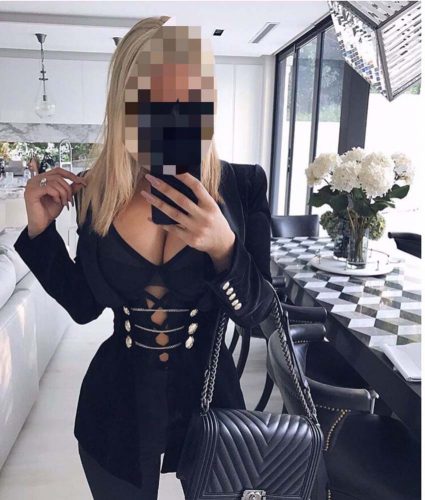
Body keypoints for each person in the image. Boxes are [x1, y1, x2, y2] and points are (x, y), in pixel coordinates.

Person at [13, 15, 275, 500]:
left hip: (213, 406)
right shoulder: (97, 193)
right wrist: (40, 232)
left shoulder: (241, 186)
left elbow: (260, 319)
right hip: (114, 411)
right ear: (126, 103)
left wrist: (225, 248)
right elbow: (85, 306)